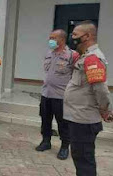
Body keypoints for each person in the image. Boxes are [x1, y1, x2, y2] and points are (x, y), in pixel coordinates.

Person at [62, 21, 113, 176]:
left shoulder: (93, 59)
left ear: (87, 37)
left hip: (85, 119)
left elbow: (101, 89)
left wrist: (105, 110)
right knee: (78, 155)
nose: (71, 36)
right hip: (78, 117)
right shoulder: (85, 57)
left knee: (85, 159)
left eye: (75, 33)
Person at [36, 29, 79, 160]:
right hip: (46, 93)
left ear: (62, 39)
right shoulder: (49, 53)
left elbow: (77, 76)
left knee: (63, 123)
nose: (50, 40)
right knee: (45, 119)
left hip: (61, 96)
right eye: (50, 37)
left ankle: (65, 146)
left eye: (53, 38)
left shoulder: (72, 55)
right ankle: (46, 141)